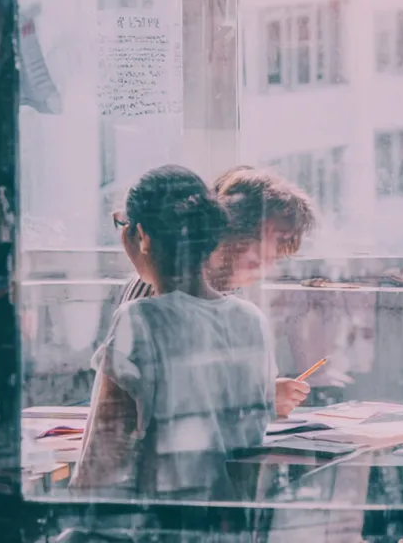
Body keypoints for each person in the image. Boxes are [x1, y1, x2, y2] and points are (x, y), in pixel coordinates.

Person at [73, 165, 276, 500]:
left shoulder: (141, 319)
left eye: (123, 226)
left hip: (159, 525)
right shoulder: (250, 319)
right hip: (228, 524)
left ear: (143, 237)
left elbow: (99, 466)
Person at [120, 165, 317, 418]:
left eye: (276, 256)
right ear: (226, 235)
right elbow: (162, 400)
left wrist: (264, 393)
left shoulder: (235, 305)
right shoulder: (155, 289)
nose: (267, 265)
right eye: (260, 252)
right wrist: (261, 399)